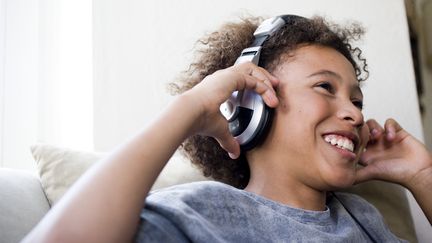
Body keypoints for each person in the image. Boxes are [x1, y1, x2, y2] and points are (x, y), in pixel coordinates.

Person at [23, 14, 431, 243]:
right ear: (251, 104)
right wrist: (191, 107)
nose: (356, 115)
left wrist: (421, 175)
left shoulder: (361, 219)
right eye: (326, 87)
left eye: (357, 101)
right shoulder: (202, 211)